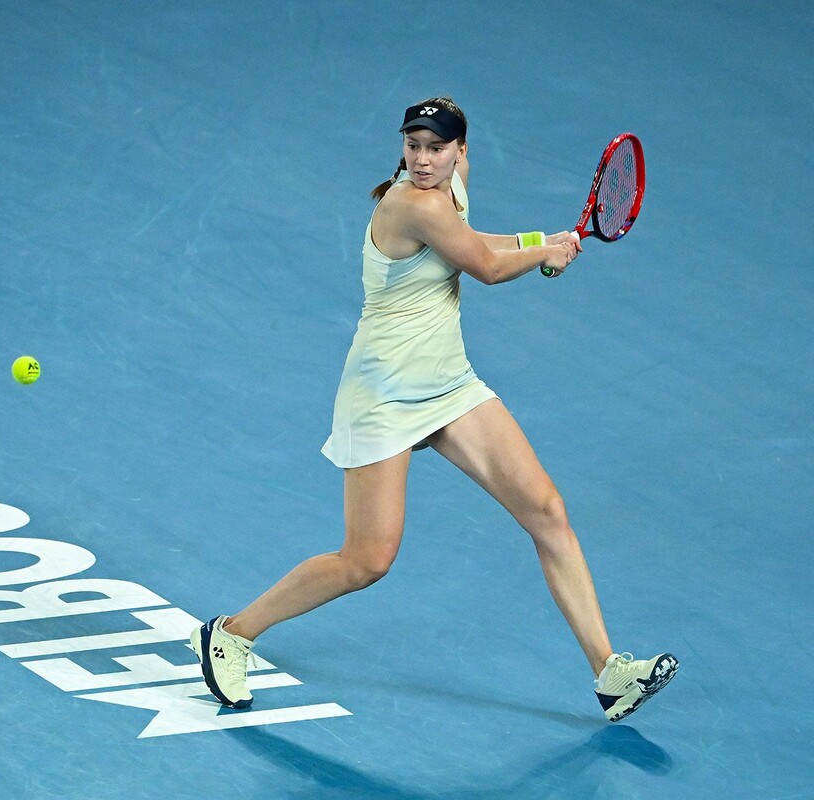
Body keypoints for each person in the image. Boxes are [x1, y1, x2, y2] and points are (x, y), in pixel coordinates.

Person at [191, 96, 677, 723]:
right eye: (413, 146)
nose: (422, 159)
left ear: (460, 151)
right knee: (367, 560)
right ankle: (231, 632)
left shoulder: (453, 189)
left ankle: (610, 673)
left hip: (448, 387)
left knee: (548, 511)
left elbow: (474, 240)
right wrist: (544, 255)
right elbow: (486, 268)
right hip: (384, 395)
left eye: (436, 148)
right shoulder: (409, 203)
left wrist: (542, 241)